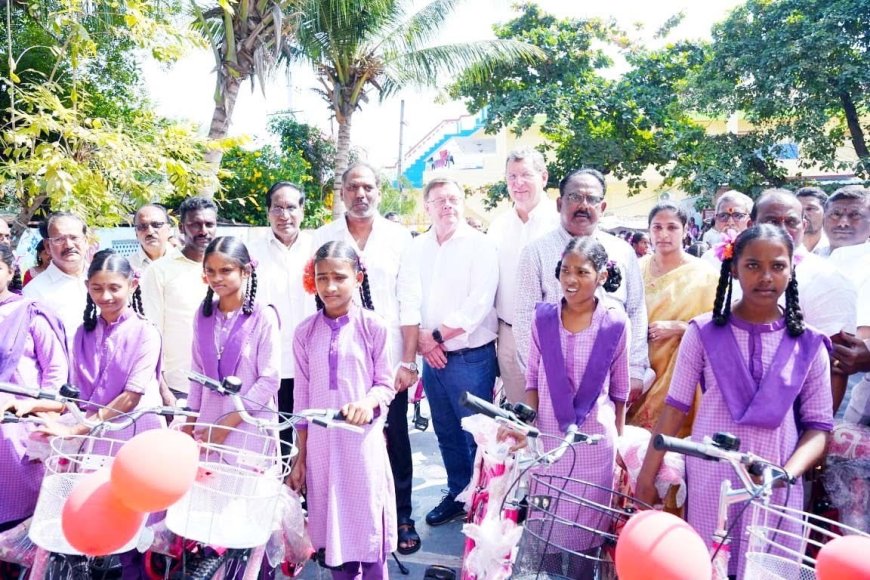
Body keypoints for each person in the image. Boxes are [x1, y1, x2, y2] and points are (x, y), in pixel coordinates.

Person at [636, 225, 834, 578]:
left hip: (775, 482)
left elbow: (819, 428)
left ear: (792, 270)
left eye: (777, 266)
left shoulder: (809, 344)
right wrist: (647, 475)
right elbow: (674, 407)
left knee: (766, 570)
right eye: (753, 265)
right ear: (734, 268)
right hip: (712, 475)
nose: (766, 276)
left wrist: (786, 473)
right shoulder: (702, 332)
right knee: (710, 565)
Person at [313, 163, 421, 554]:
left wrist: (408, 362)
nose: (361, 194)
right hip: (335, 356)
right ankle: (338, 522)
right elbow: (317, 294)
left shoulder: (398, 237)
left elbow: (410, 301)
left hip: (386, 361)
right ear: (341, 192)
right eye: (353, 187)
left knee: (394, 439)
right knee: (338, 439)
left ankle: (401, 515)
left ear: (378, 192)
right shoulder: (324, 237)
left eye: (368, 187)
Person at [505, 236, 629, 577]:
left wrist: (619, 443)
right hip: (548, 441)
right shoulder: (542, 319)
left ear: (602, 276)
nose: (571, 280)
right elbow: (532, 379)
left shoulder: (615, 321)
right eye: (565, 271)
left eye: (582, 272)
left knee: (584, 537)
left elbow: (620, 389)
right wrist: (526, 426)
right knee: (545, 529)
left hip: (594, 445)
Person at [289, 241, 396, 579]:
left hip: (361, 445)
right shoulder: (305, 332)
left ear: (358, 279)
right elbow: (301, 401)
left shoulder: (373, 326)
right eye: (322, 278)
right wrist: (300, 456)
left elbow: (386, 385)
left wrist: (367, 403)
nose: (330, 287)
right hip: (321, 449)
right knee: (333, 538)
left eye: (339, 277)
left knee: (367, 530)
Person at [409, 177, 498, 527]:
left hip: (469, 357)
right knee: (445, 431)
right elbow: (408, 296)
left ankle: (483, 501)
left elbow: (478, 304)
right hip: (432, 358)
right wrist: (420, 338)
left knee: (476, 435)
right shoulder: (417, 248)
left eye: (453, 198)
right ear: (426, 207)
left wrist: (433, 337)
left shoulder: (480, 246)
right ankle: (459, 493)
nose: (447, 205)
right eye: (439, 200)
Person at [514, 168, 649, 399]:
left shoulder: (622, 251)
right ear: (559, 203)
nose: (583, 205)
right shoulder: (535, 252)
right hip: (555, 377)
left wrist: (634, 369)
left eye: (592, 199)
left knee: (606, 434)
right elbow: (525, 316)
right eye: (575, 197)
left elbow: (636, 310)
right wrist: (542, 376)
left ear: (602, 207)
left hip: (612, 373)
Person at [749, 189, 856, 411]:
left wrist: (814, 432)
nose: (781, 229)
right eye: (771, 220)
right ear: (751, 225)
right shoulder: (736, 272)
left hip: (795, 416)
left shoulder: (827, 280)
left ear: (803, 227)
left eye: (791, 222)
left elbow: (837, 367)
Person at [626, 203, 718, 438]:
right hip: (640, 365)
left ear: (686, 230)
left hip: (681, 367)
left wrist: (681, 328)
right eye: (657, 227)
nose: (663, 234)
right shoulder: (635, 269)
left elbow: (719, 327)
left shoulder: (706, 275)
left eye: (672, 227)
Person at [0, 243, 68, 534]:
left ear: (10, 271)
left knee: (20, 526)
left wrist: (36, 410)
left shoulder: (30, 313)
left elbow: (56, 372)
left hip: (20, 427)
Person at [187, 236, 280, 450]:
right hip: (207, 425)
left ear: (245, 271)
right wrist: (189, 424)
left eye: (226, 271)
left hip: (249, 424)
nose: (217, 278)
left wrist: (225, 427)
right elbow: (197, 374)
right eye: (210, 271)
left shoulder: (263, 315)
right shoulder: (203, 315)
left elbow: (269, 380)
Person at [247, 182, 315, 456]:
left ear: (302, 210)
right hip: (270, 367)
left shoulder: (317, 247)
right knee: (277, 445)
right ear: (267, 212)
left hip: (314, 363)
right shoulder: (251, 253)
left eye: (291, 207)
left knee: (314, 442)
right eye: (277, 207)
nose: (284, 215)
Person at [487, 148, 559, 404]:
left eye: (525, 175)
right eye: (511, 176)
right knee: (522, 416)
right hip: (509, 335)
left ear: (544, 177)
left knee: (556, 410)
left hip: (556, 334)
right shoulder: (498, 226)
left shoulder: (561, 222)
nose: (518, 183)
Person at [141, 196, 217, 405]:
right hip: (179, 387)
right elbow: (150, 335)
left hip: (222, 386)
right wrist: (164, 391)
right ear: (182, 228)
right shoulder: (159, 271)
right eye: (195, 224)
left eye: (209, 224)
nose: (203, 231)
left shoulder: (227, 270)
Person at [23, 212, 89, 336]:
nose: (69, 245)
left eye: (74, 237)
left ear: (85, 241)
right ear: (47, 246)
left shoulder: (106, 281)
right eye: (59, 239)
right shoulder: (33, 293)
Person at [700, 190, 753, 267]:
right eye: (723, 216)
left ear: (750, 222)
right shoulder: (708, 259)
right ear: (716, 221)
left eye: (738, 215)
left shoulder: (759, 256)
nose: (730, 222)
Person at [129, 204, 173, 271]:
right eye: (142, 226)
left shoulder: (185, 261)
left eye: (156, 225)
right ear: (136, 233)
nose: (150, 232)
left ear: (168, 229)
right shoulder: (128, 268)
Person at [795, 186, 829, 254]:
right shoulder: (785, 247)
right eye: (799, 209)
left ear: (826, 212)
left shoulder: (836, 247)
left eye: (810, 209)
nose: (803, 214)